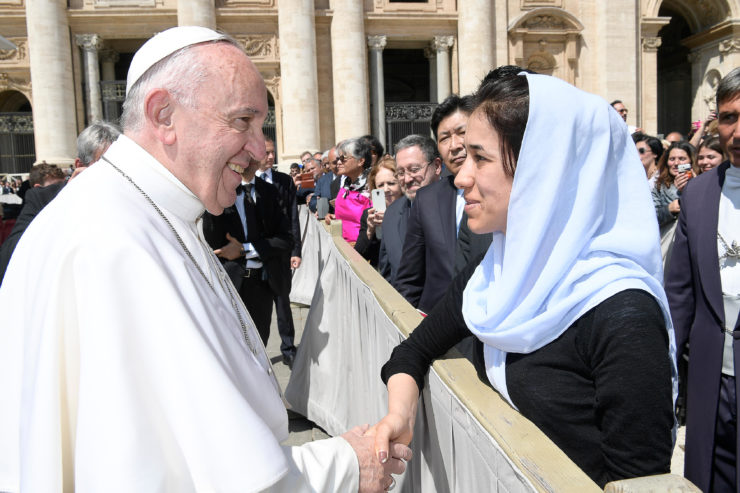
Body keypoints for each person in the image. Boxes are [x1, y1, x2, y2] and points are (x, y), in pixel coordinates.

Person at [0, 26, 410, 493]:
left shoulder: (143, 212)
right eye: (242, 121)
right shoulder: (111, 242)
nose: (259, 149)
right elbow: (185, 478)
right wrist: (348, 464)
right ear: (164, 115)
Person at [371, 72, 676, 488]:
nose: (461, 178)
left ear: (542, 170)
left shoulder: (623, 315)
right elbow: (412, 351)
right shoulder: (495, 271)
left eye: (480, 158)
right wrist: (400, 415)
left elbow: (637, 481)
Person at [666, 66, 740, 493]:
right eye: (729, 118)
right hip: (713, 382)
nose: (737, 131)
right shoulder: (697, 193)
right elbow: (680, 294)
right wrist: (668, 374)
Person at [395, 95, 491, 314]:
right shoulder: (427, 199)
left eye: (462, 132)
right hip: (438, 322)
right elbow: (409, 279)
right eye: (445, 138)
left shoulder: (505, 191)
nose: (454, 146)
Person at [0, 121, 121, 284]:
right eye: (106, 165)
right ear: (80, 166)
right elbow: (8, 259)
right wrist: (65, 201)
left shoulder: (131, 199)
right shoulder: (43, 199)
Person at [255, 137, 302, 366]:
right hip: (256, 255)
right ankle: (257, 351)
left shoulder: (284, 181)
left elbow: (293, 217)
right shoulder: (246, 182)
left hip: (281, 253)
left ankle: (288, 348)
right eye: (267, 152)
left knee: (283, 302)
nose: (271, 157)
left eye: (273, 152)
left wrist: (296, 250)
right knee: (258, 306)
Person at [377, 135, 441, 285]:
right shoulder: (392, 215)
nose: (407, 179)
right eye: (400, 173)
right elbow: (387, 276)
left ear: (437, 166)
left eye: (414, 170)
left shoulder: (459, 207)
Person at [652, 141, 697, 266]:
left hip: (694, 243)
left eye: (682, 159)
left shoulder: (701, 181)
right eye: (672, 159)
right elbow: (651, 217)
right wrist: (669, 209)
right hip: (669, 246)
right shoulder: (659, 186)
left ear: (691, 161)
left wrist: (693, 186)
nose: (676, 163)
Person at [354, 156, 402, 266]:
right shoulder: (369, 215)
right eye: (380, 185)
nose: (385, 189)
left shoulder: (411, 210)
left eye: (391, 183)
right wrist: (370, 232)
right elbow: (358, 256)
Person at [331, 137, 372, 244]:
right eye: (338, 159)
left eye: (343, 158)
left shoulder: (373, 186)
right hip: (342, 245)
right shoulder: (346, 184)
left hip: (361, 249)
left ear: (360, 161)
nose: (338, 163)